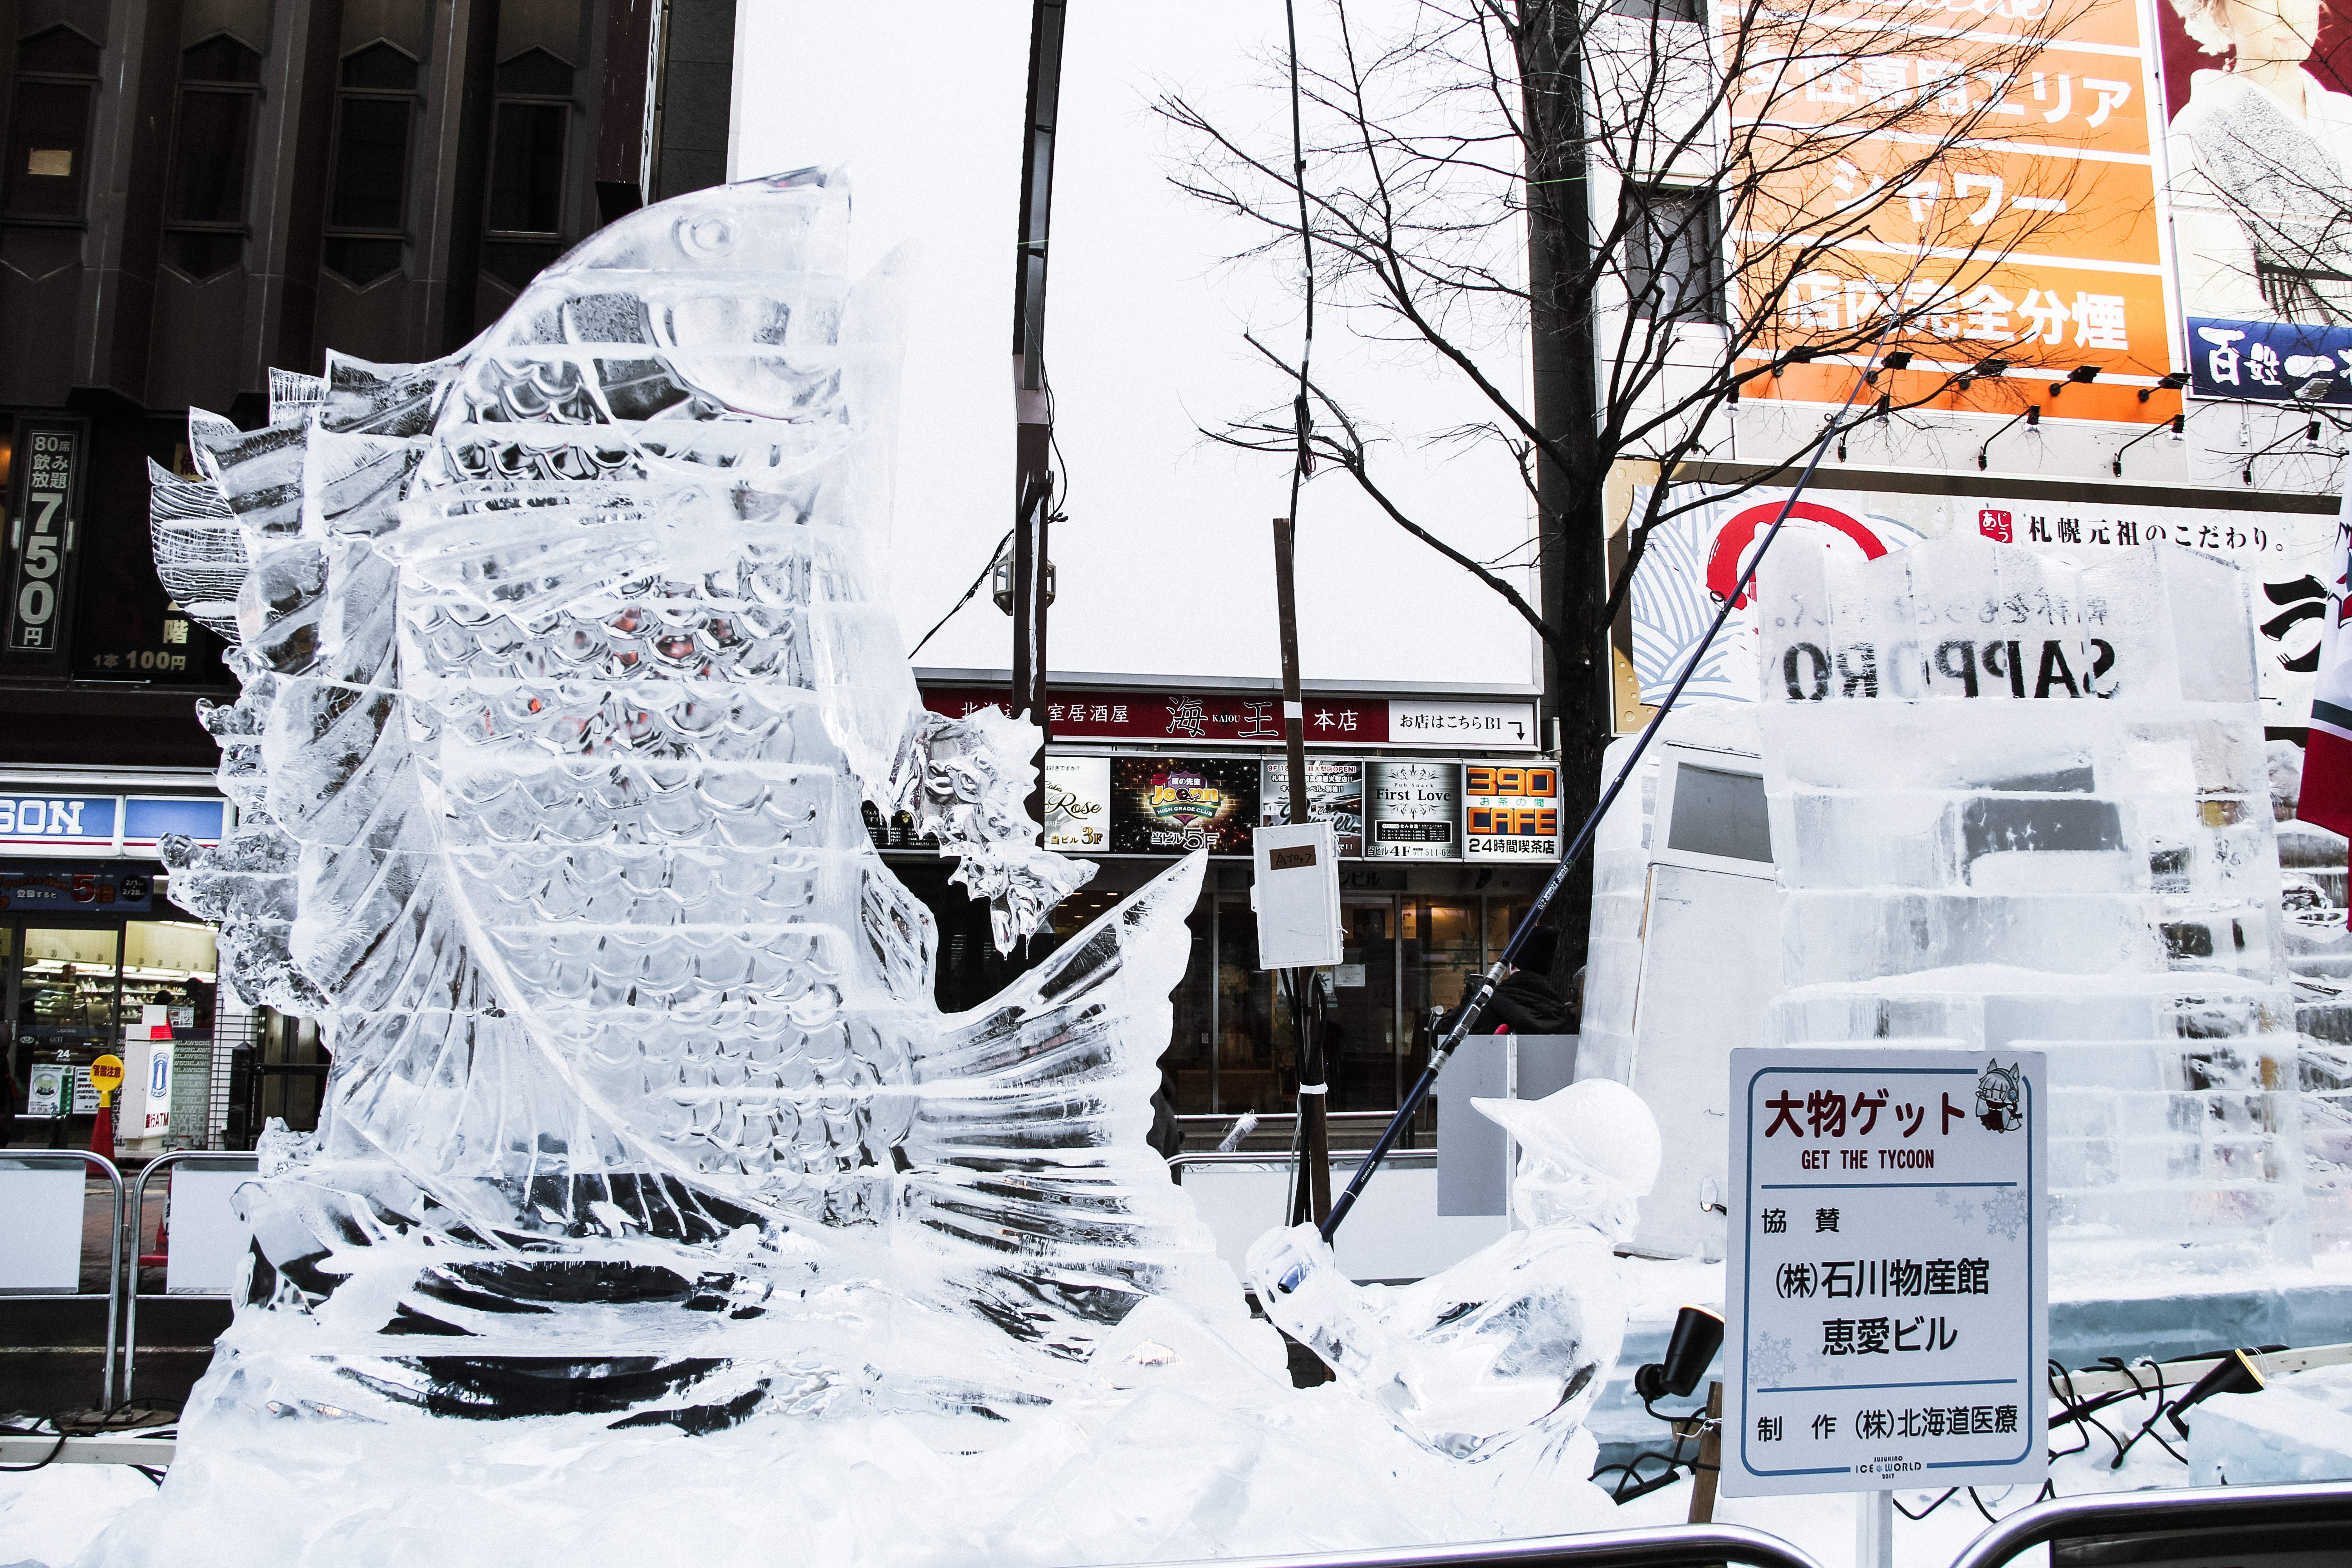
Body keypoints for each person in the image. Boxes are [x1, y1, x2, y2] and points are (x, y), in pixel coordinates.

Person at [2166, 0, 2352, 323]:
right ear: (2218, 14)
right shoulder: (2201, 128)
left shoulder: (2344, 116)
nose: (2290, 13)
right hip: (2291, 347)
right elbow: (2221, 293)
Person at [1436, 924, 1578, 1038]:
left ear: (1512, 965)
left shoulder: (1486, 1005)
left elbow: (1441, 1035)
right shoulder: (1563, 1016)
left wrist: (1468, 1002)